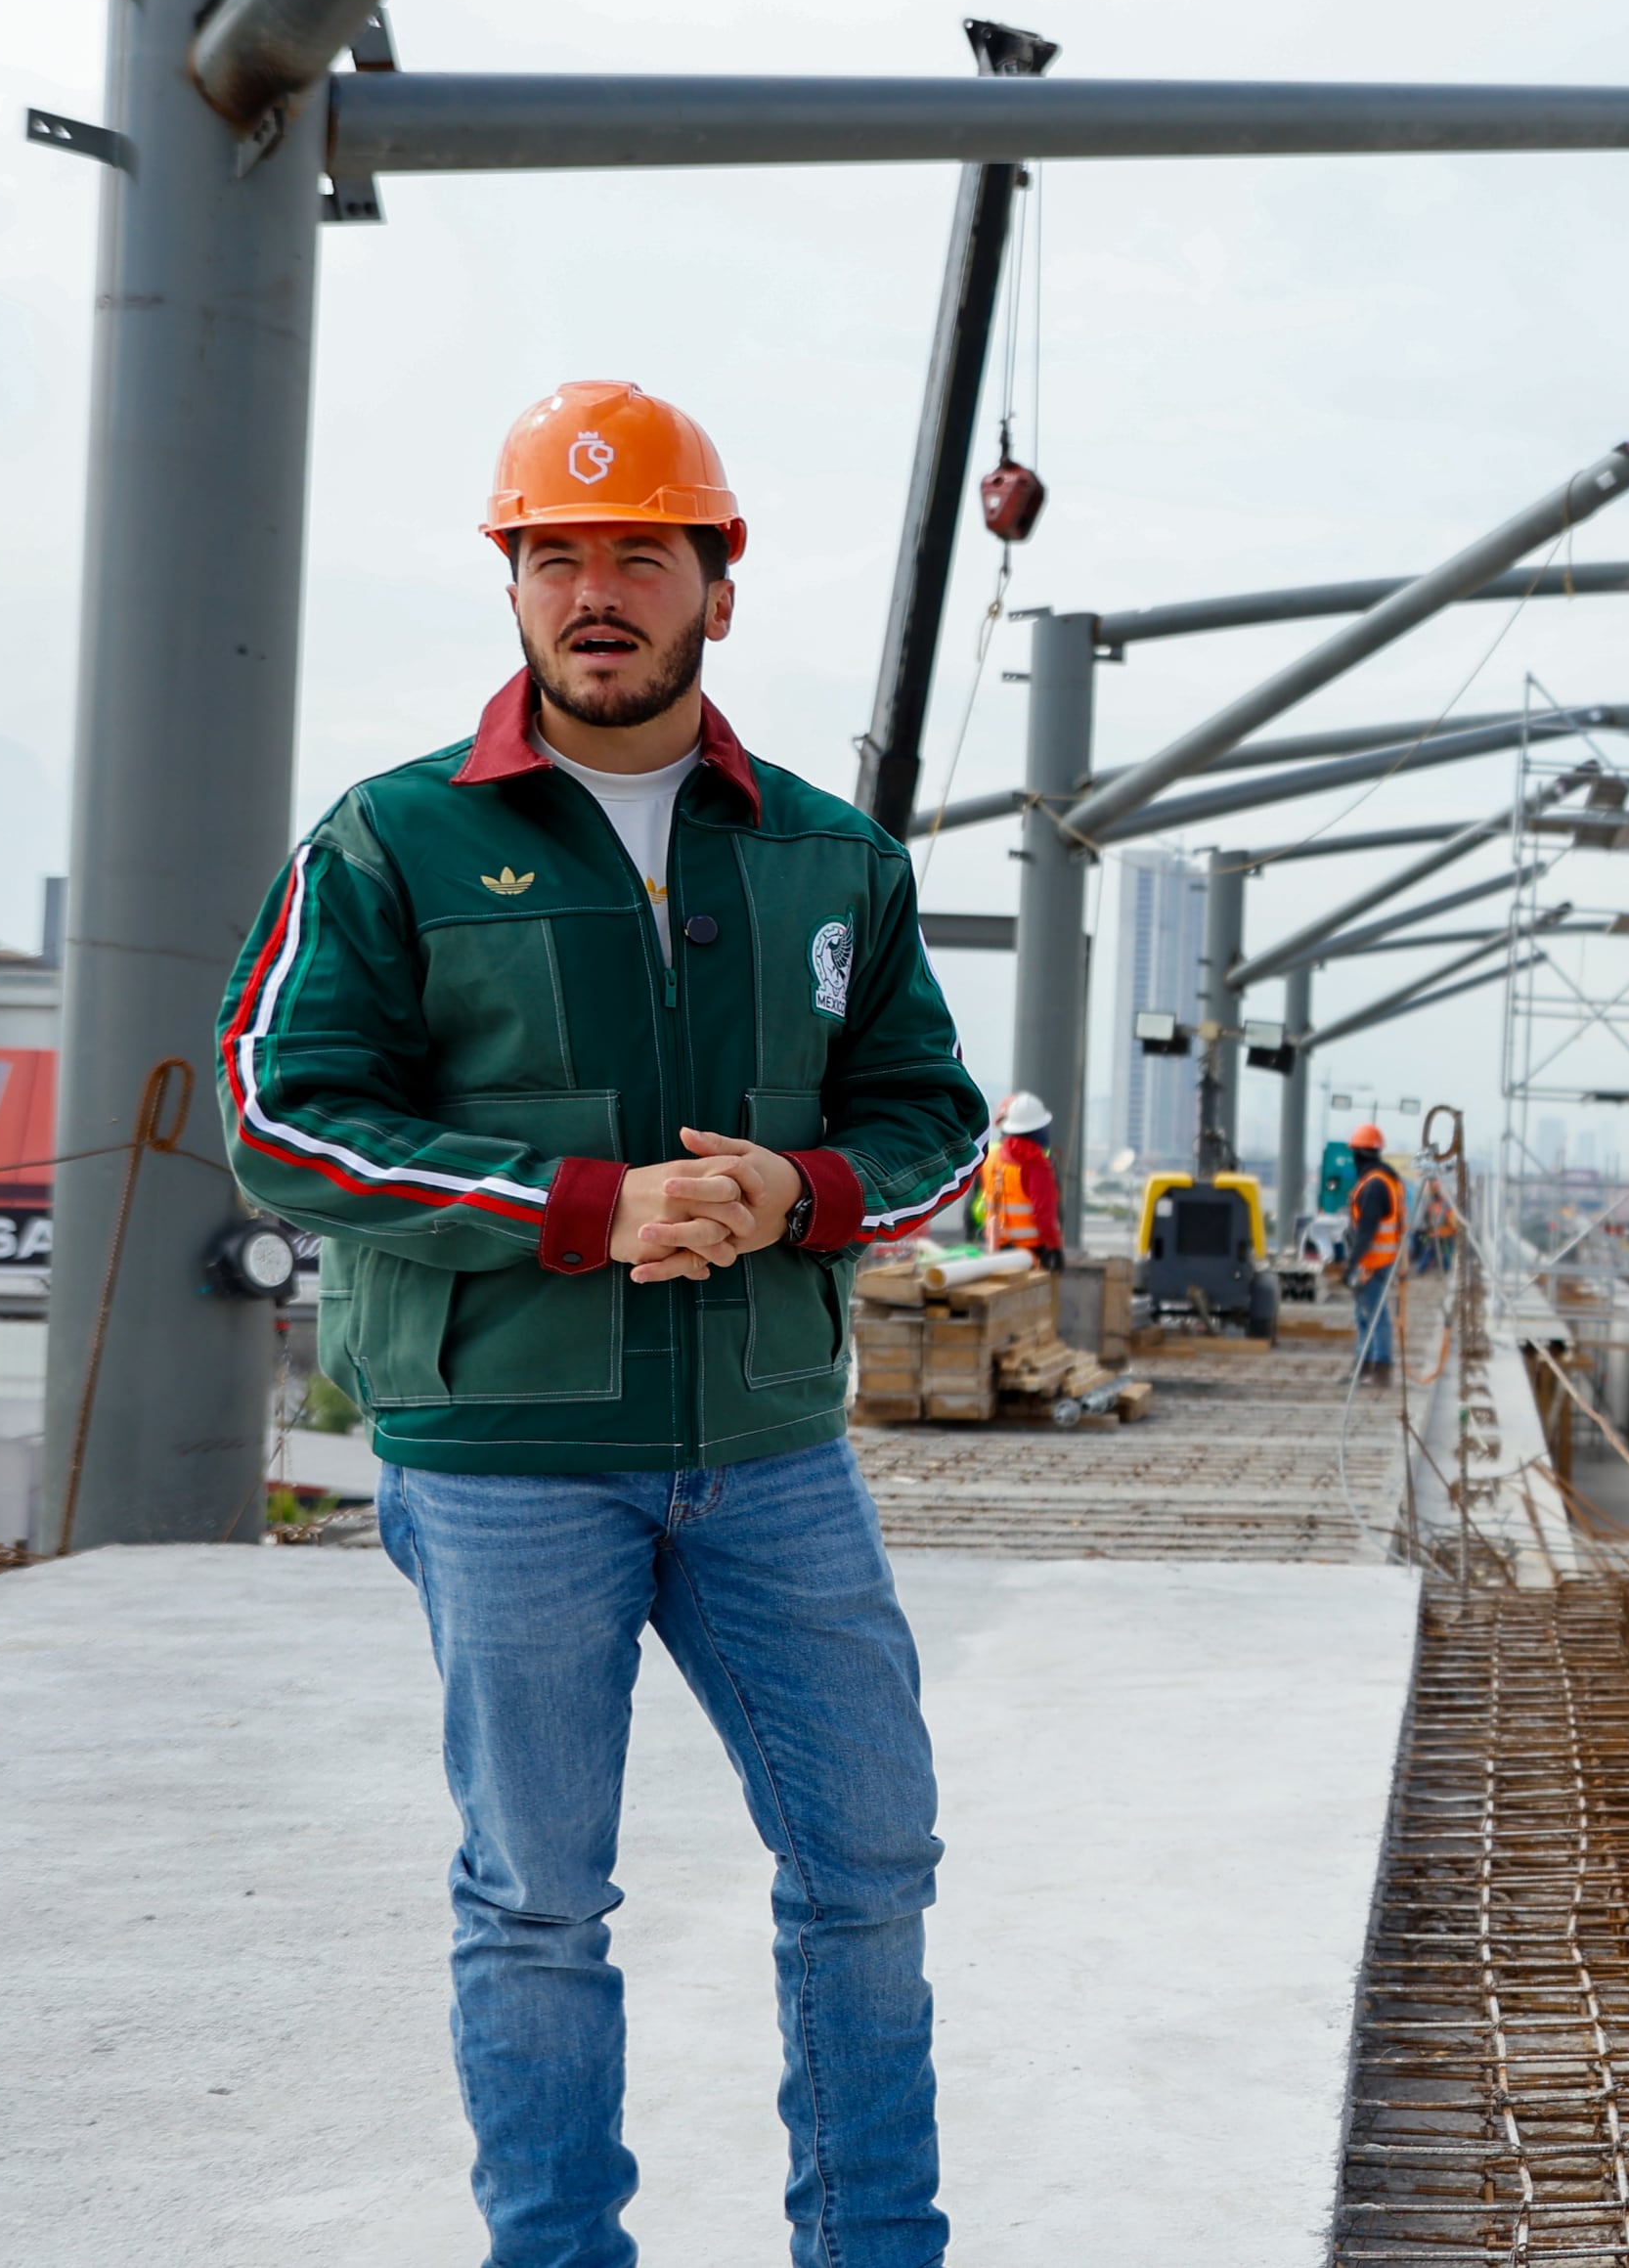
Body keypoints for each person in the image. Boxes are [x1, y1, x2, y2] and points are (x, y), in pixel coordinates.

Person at [215, 380, 990, 2268]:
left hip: (772, 1457)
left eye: (641, 550)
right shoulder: (391, 840)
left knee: (870, 1863)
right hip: (506, 1463)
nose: (595, 589)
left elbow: (936, 1123)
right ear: (513, 583)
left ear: (717, 584)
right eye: (554, 553)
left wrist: (795, 1191)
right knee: (539, 1898)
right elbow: (283, 1116)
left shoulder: (831, 857)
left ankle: (874, 2245)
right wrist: (592, 1206)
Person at [1342, 1123, 1406, 1377]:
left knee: (1374, 1315)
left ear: (1358, 1154)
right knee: (1364, 1314)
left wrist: (1351, 1264)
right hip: (1381, 1258)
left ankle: (1380, 1367)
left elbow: (1366, 1231)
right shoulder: (1384, 1179)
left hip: (1374, 1261)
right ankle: (1364, 1365)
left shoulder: (1374, 1185)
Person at [974, 1089, 1059, 1264]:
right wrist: (1054, 1247)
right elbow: (1044, 1214)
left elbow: (977, 1205)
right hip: (1029, 1255)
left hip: (996, 1249)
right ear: (1037, 1129)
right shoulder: (1036, 1163)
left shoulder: (990, 1157)